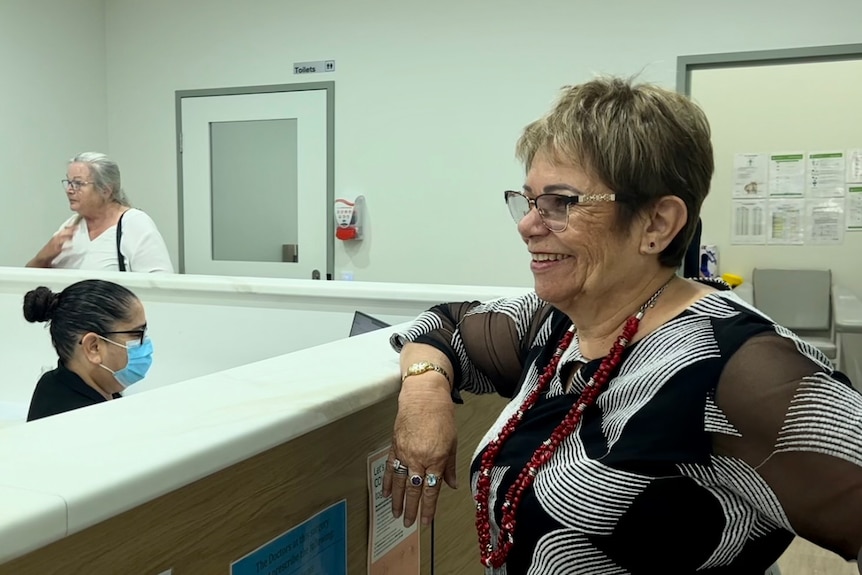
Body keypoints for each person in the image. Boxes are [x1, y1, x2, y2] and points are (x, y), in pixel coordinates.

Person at [382, 77, 862, 574]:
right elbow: (443, 328)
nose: (527, 225)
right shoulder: (558, 323)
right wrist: (423, 395)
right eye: (527, 201)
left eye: (560, 203)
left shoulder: (735, 365)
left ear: (657, 224)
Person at [24, 280, 153, 422]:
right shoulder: (86, 421)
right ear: (93, 347)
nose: (145, 343)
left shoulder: (53, 381)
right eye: (137, 334)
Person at [26, 152, 174, 273]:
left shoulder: (134, 224)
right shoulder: (71, 225)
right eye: (68, 182)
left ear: (106, 190)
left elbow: (160, 286)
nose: (69, 190)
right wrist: (43, 257)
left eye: (78, 183)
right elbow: (30, 279)